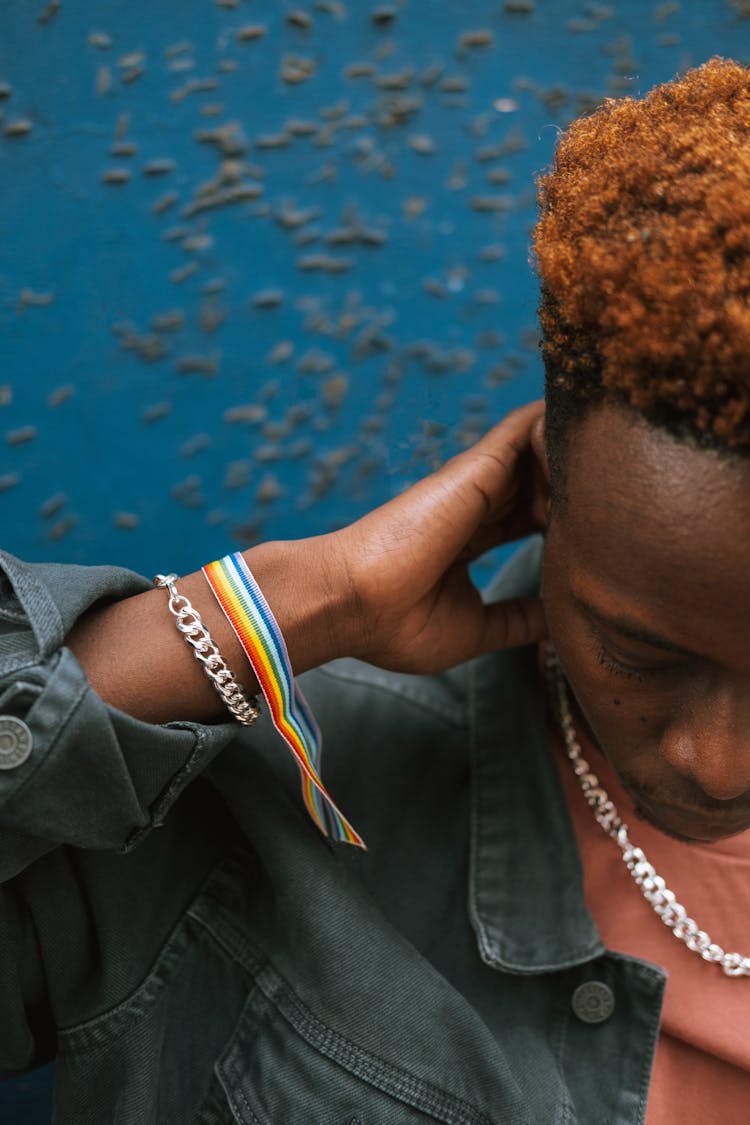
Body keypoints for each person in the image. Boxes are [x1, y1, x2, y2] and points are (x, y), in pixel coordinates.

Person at [1, 55, 749, 1124]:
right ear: (543, 489)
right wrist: (294, 603)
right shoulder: (247, 803)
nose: (715, 763)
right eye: (640, 653)